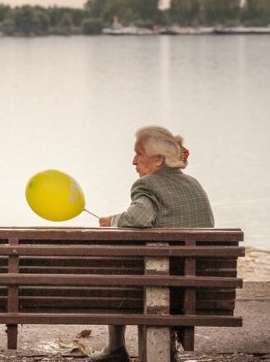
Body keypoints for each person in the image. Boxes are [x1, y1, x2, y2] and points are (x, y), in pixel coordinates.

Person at [90, 125, 214, 362]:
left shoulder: (147, 185)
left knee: (119, 274)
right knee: (156, 270)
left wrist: (112, 221)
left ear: (158, 160)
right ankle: (166, 349)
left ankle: (115, 348)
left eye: (138, 154)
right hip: (198, 289)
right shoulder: (194, 184)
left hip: (157, 290)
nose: (133, 161)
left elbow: (138, 217)